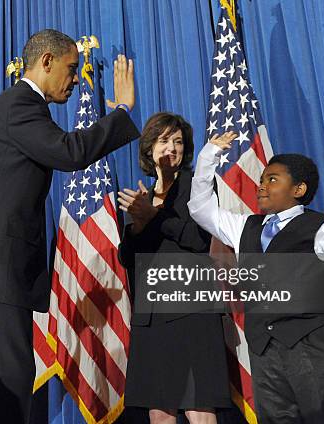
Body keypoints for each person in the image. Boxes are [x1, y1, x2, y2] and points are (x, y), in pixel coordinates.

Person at [0, 29, 139, 423]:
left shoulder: (20, 107)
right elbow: (70, 151)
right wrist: (122, 113)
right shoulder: (20, 104)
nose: (76, 78)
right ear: (46, 62)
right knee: (3, 386)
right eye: (71, 68)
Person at [188, 134, 324, 423]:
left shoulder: (322, 227)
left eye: (273, 179)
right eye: (261, 179)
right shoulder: (245, 225)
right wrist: (208, 156)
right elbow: (200, 209)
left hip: (316, 347)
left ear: (299, 188)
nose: (261, 185)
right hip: (264, 351)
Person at [117, 113, 230, 424]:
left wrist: (154, 218)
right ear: (149, 149)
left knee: (199, 407)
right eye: (164, 140)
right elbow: (128, 259)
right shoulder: (142, 195)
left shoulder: (198, 185)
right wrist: (138, 225)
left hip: (192, 308)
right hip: (152, 314)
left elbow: (198, 239)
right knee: (160, 410)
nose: (172, 147)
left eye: (178, 141)